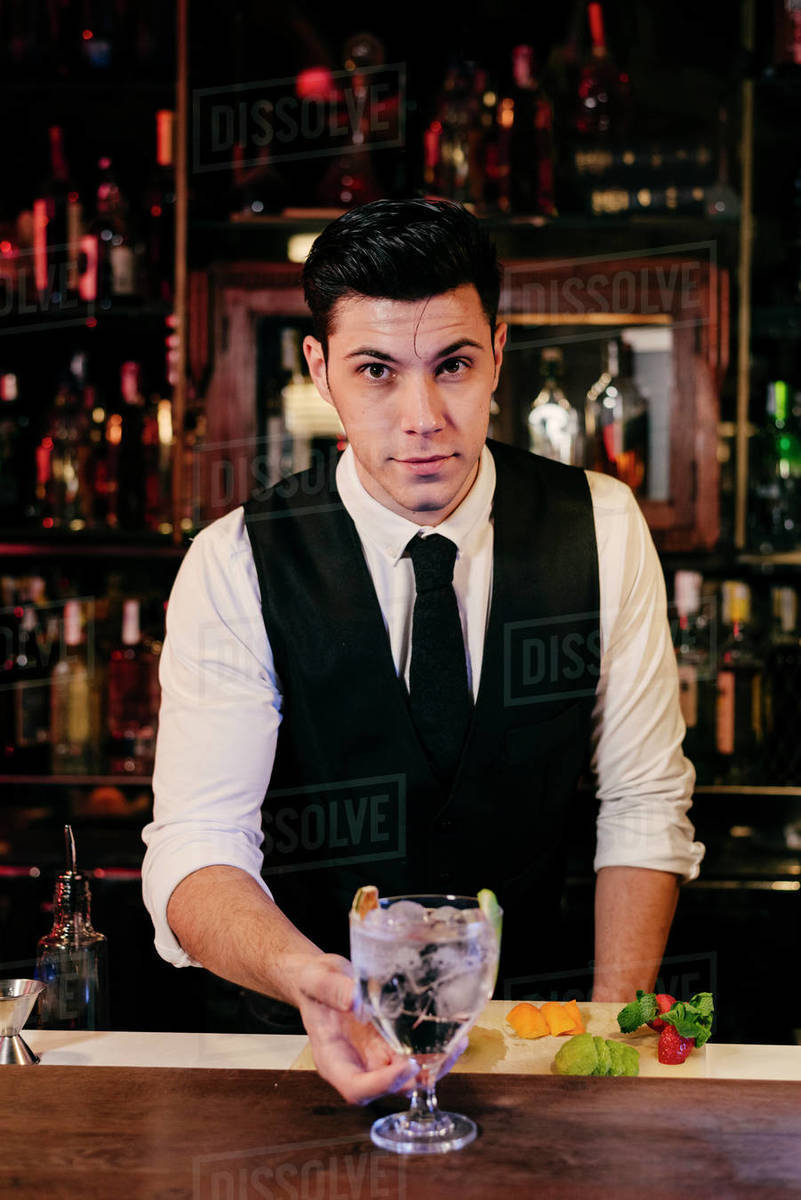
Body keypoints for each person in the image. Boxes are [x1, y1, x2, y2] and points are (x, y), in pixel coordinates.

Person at [142, 197, 703, 1104]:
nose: (423, 416)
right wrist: (310, 982)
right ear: (319, 368)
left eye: (453, 365)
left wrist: (605, 1042)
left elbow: (641, 802)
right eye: (375, 370)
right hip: (305, 1048)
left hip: (533, 1040)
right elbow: (198, 846)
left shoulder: (598, 526)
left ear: (497, 352)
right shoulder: (237, 559)